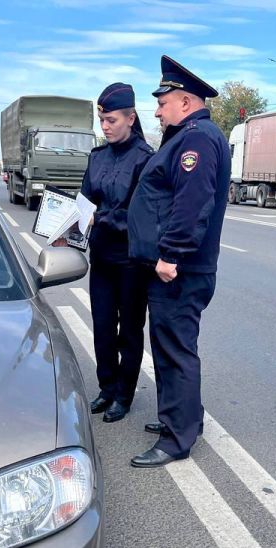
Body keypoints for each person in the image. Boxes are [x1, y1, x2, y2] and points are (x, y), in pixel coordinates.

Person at [126, 56, 231, 468]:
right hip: (175, 267)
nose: (156, 110)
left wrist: (170, 255)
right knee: (169, 346)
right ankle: (182, 418)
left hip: (180, 269)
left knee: (175, 351)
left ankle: (177, 440)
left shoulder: (197, 139)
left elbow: (192, 204)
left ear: (185, 102)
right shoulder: (187, 135)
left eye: (162, 102)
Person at [80, 83, 155, 423]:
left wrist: (103, 217)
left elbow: (142, 216)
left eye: (110, 120)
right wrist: (68, 225)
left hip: (131, 261)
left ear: (130, 118)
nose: (105, 126)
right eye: (101, 120)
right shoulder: (97, 157)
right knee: (102, 326)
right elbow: (85, 203)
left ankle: (124, 395)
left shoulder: (145, 159)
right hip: (102, 258)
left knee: (129, 331)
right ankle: (106, 387)